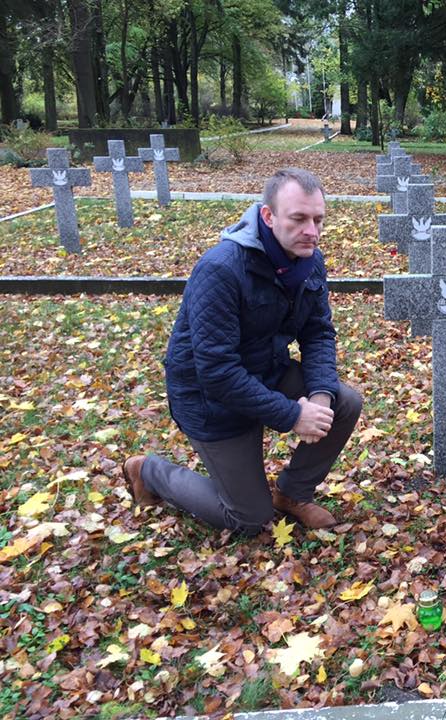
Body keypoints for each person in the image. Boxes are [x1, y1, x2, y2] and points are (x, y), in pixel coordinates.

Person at [122, 168, 362, 535]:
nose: (311, 231)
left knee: (343, 403)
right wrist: (292, 415)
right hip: (210, 399)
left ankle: (292, 493)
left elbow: (317, 332)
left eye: (318, 220)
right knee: (249, 518)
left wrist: (320, 396)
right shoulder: (221, 269)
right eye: (298, 219)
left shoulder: (310, 261)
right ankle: (150, 471)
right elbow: (216, 372)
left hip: (265, 371)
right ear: (269, 216)